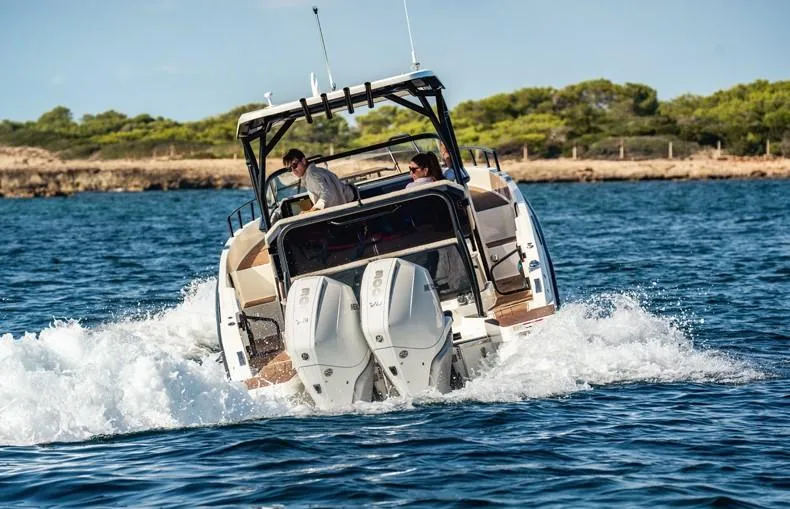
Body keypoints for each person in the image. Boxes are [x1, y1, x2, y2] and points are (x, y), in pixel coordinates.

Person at [283, 148, 355, 212]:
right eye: (290, 169)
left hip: (336, 215)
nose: (293, 171)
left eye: (294, 165)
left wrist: (311, 212)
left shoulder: (312, 176)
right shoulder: (320, 171)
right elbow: (348, 194)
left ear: (303, 161)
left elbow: (327, 195)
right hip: (344, 211)